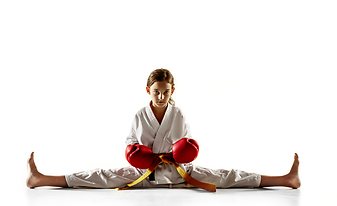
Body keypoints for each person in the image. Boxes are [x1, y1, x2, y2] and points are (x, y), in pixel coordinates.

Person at [27, 68, 301, 190]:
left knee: (227, 175)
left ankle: (285, 179)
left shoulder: (177, 113)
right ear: (149, 90)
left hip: (178, 173)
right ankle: (42, 179)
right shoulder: (139, 114)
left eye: (166, 92)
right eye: (157, 91)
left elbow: (186, 145)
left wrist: (179, 154)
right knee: (100, 176)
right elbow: (130, 145)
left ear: (172, 91)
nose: (161, 96)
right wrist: (139, 155)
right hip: (143, 173)